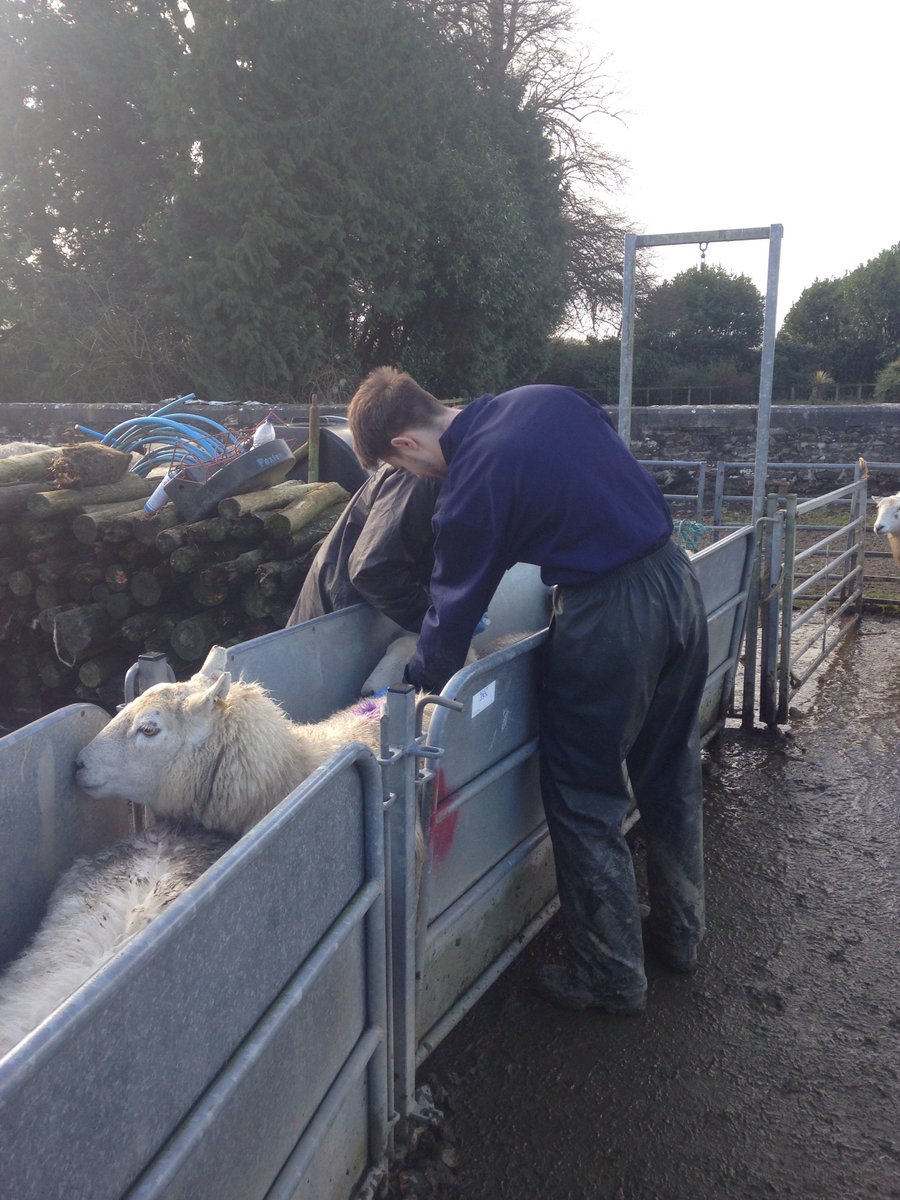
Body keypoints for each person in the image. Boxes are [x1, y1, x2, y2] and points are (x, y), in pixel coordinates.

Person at [347, 366, 709, 1016]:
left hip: (609, 615)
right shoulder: (548, 399)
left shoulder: (471, 483)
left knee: (582, 792)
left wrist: (393, 705)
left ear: (403, 445)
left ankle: (611, 976)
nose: (417, 483)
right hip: (677, 582)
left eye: (401, 471)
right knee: (669, 768)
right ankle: (681, 934)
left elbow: (448, 619)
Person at [287, 462, 441, 632]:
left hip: (383, 614)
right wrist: (442, 622)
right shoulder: (421, 474)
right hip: (344, 620)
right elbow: (373, 571)